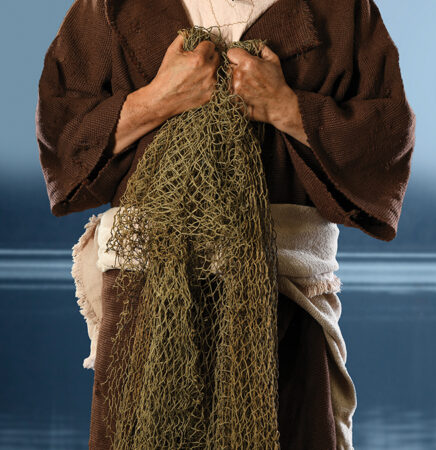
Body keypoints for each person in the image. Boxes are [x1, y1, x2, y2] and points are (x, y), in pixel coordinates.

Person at [35, 0, 416, 448]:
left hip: (281, 301)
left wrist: (285, 106)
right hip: (146, 297)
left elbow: (387, 141)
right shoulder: (108, 6)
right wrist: (158, 99)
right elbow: (61, 136)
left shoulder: (342, 9)